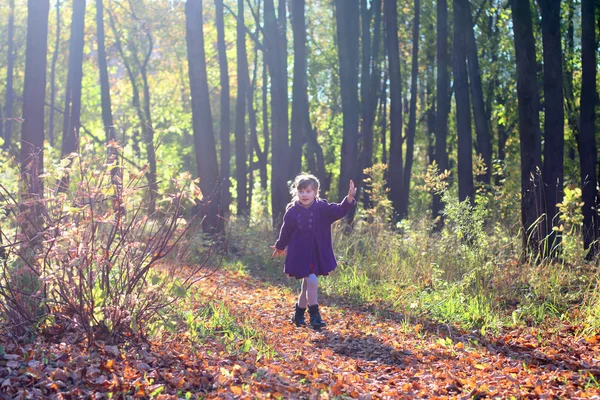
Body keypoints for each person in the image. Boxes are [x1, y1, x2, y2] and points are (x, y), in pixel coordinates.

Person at [271, 173, 357, 329]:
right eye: (301, 191)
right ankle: (315, 316)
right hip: (300, 254)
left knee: (307, 286)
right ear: (296, 192)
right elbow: (286, 232)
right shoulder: (292, 212)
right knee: (312, 281)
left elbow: (338, 210)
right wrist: (280, 246)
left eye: (308, 191)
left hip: (317, 253)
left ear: (316, 192)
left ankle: (298, 315)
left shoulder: (322, 208)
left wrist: (349, 199)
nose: (304, 195)